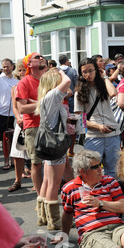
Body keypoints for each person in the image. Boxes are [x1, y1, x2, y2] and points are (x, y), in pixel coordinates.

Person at [53, 149, 124, 248]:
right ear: (82, 171)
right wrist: (64, 235)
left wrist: (100, 203)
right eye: (95, 167)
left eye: (100, 164)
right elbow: (67, 213)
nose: (101, 169)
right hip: (92, 232)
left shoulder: (110, 182)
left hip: (117, 226)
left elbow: (122, 208)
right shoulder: (69, 188)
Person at [33, 68, 71, 230]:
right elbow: (68, 82)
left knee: (48, 182)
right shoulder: (51, 97)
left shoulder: (47, 98)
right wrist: (61, 73)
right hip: (55, 143)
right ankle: (53, 221)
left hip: (50, 143)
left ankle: (43, 217)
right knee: (54, 184)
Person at [74, 58, 121, 178]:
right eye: (84, 72)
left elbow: (113, 93)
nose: (88, 75)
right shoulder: (79, 93)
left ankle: (112, 195)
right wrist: (98, 126)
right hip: (94, 136)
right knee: (91, 170)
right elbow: (81, 119)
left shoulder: (104, 86)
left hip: (113, 133)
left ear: (96, 70)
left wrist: (104, 77)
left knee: (114, 171)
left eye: (91, 70)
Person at [16, 54, 48, 202]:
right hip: (33, 127)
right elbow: (22, 108)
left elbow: (65, 94)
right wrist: (43, 102)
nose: (42, 58)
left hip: (51, 125)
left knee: (56, 162)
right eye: (37, 57)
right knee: (36, 164)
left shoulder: (48, 79)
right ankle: (41, 197)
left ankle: (55, 194)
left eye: (42, 57)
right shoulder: (24, 82)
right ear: (29, 65)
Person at [0, 58, 18, 170]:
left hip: (14, 113)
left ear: (12, 66)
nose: (6, 68)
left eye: (7, 66)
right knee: (5, 139)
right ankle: (6, 160)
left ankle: (13, 159)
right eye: (4, 66)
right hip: (2, 113)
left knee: (14, 138)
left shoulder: (17, 81)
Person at [7, 61, 29, 192]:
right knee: (17, 153)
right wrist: (19, 118)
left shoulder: (35, 84)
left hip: (33, 122)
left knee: (36, 154)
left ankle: (38, 182)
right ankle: (18, 180)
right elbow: (15, 107)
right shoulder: (14, 87)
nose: (22, 73)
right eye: (20, 70)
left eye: (24, 70)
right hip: (20, 123)